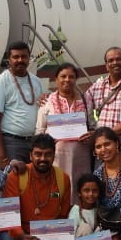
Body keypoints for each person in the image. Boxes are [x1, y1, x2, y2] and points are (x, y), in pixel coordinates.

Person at [2, 133, 74, 240]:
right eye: (38, 154)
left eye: (47, 155)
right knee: (6, 239)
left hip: (47, 237)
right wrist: (22, 236)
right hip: (21, 235)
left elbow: (63, 216)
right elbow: (9, 216)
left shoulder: (63, 178)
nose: (42, 159)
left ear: (54, 155)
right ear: (30, 155)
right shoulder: (16, 177)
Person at [37, 62, 89, 202]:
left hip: (80, 155)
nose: (67, 80)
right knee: (56, 185)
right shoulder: (47, 101)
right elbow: (40, 129)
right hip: (56, 155)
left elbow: (93, 125)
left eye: (71, 77)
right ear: (56, 79)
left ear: (75, 79)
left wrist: (92, 134)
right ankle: (57, 214)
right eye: (63, 76)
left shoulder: (85, 100)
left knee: (79, 185)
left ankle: (78, 217)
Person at [0, 41, 44, 166]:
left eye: (24, 56)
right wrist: (2, 155)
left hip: (34, 142)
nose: (20, 60)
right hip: (12, 143)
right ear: (9, 60)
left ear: (29, 58)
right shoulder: (1, 82)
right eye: (16, 57)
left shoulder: (36, 81)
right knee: (15, 182)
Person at [84, 46, 121, 155]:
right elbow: (81, 104)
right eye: (110, 60)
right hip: (103, 153)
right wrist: (48, 97)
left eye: (119, 59)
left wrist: (101, 136)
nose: (115, 62)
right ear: (106, 66)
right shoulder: (97, 86)